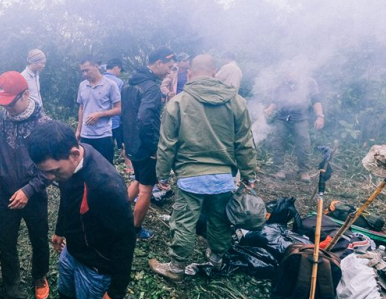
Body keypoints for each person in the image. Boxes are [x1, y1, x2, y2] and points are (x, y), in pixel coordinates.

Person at [29, 121, 136, 299]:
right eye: (45, 172)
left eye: (53, 171)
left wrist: (117, 292)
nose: (50, 178)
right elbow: (68, 193)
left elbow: (126, 241)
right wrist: (61, 228)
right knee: (64, 289)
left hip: (97, 265)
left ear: (75, 154)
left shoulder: (106, 184)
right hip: (73, 250)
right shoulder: (70, 165)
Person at [150, 55, 257, 282]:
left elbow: (167, 145)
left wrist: (162, 175)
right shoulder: (236, 101)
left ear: (189, 73)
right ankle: (216, 260)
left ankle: (177, 267)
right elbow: (245, 143)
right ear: (215, 72)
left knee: (184, 222)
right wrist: (249, 175)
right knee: (219, 220)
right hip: (223, 178)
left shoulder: (178, 102)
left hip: (190, 177)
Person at [0, 71, 51, 299]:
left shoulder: (43, 124)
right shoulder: (0, 120)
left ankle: (39, 275)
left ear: (26, 94)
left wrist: (29, 190)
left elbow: (51, 168)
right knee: (6, 243)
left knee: (39, 238)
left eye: (11, 102)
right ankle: (14, 292)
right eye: (3, 103)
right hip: (7, 194)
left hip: (34, 195)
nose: (7, 108)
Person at [121, 47, 176, 240]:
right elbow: (144, 119)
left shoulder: (129, 83)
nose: (169, 71)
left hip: (132, 143)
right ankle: (135, 230)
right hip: (145, 146)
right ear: (158, 63)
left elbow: (125, 115)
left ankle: (120, 210)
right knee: (146, 188)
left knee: (138, 179)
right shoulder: (151, 88)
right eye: (168, 66)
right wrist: (154, 146)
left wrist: (125, 142)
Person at [263, 66, 325, 182]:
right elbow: (276, 101)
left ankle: (303, 171)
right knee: (278, 142)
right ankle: (279, 169)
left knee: (303, 144)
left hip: (300, 118)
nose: (289, 76)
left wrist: (320, 116)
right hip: (282, 118)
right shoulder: (280, 84)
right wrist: (269, 109)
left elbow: (316, 100)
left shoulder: (309, 83)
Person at [75, 57, 122, 164]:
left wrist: (99, 115)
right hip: (86, 135)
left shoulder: (110, 85)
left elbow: (118, 109)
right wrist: (78, 130)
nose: (85, 74)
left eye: (87, 70)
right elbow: (81, 107)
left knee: (105, 168)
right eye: (82, 71)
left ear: (96, 66)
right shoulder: (82, 85)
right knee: (87, 168)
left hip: (103, 135)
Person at [103, 59, 132, 171]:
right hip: (116, 120)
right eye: (120, 70)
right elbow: (123, 102)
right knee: (124, 145)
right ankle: (130, 169)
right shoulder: (118, 82)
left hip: (102, 122)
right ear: (116, 67)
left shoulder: (100, 80)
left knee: (106, 148)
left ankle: (107, 169)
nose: (119, 72)